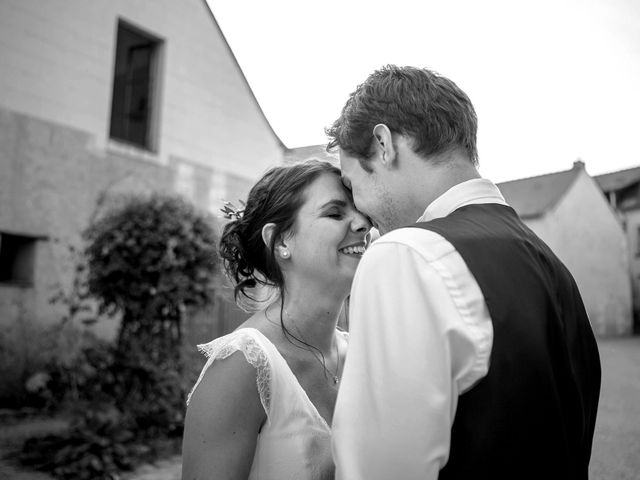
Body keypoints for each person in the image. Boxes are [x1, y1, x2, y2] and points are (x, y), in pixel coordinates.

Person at [327, 65, 601, 480]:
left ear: (383, 145)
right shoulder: (554, 268)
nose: (360, 209)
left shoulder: (406, 255)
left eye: (351, 184)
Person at [181, 160, 370, 480]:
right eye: (335, 213)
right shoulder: (243, 365)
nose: (363, 223)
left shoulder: (359, 354)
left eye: (360, 211)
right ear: (281, 241)